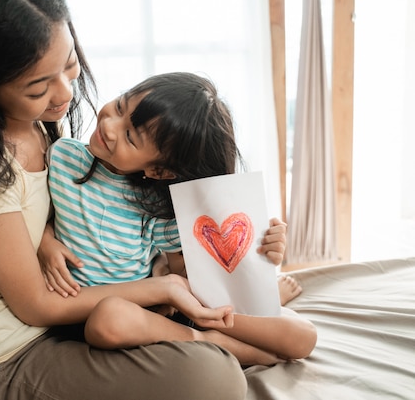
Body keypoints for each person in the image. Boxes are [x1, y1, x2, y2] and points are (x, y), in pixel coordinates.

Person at [0, 0, 249, 399]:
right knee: (216, 379)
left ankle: (226, 343)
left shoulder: (41, 132)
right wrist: (158, 288)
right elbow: (35, 305)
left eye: (70, 64)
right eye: (39, 88)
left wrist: (46, 239)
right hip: (7, 357)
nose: (66, 93)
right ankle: (218, 347)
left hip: (67, 326)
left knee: (217, 341)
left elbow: (58, 215)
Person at [38, 72, 317, 365]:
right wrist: (45, 241)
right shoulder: (62, 158)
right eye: (121, 106)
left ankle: (230, 320)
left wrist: (264, 250)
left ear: (159, 171)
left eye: (130, 137)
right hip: (94, 315)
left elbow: (190, 277)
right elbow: (34, 217)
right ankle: (211, 341)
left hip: (157, 310)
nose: (109, 126)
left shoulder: (160, 206)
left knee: (302, 336)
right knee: (109, 317)